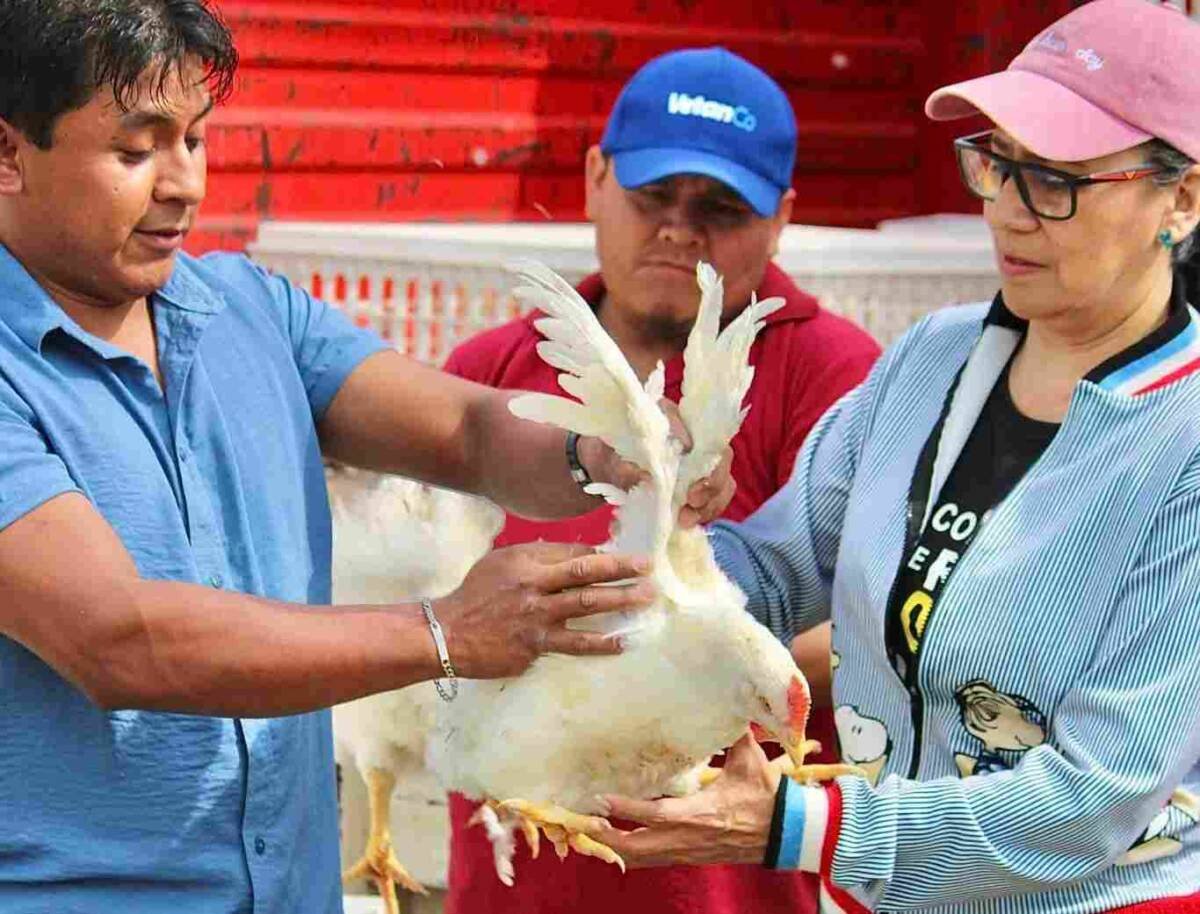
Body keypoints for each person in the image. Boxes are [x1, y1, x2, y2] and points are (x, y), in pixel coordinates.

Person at [0, 3, 736, 912]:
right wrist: (444, 633)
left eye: (194, 139)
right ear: (8, 154)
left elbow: (469, 432)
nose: (183, 183)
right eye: (136, 150)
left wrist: (607, 451)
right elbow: (115, 638)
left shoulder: (246, 308)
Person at [581, 2, 1200, 912]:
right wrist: (670, 548)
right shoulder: (933, 359)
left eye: (1057, 180)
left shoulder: (1181, 442)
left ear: (1181, 199)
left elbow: (1093, 801)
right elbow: (783, 566)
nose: (1009, 213)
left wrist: (804, 827)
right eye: (996, 163)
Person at [441, 47, 880, 914]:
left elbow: (878, 630)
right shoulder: (489, 374)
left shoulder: (838, 379)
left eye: (721, 207)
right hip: (512, 889)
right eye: (653, 196)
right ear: (594, 178)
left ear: (782, 216)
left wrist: (657, 668)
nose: (681, 229)